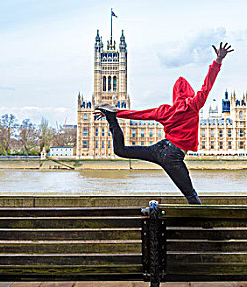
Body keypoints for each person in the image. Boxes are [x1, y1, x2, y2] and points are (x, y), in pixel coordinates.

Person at [94, 42, 233, 204]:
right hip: (172, 156)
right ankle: (206, 228)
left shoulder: (165, 110)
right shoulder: (194, 104)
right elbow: (207, 85)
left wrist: (116, 113)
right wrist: (218, 61)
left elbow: (140, 115)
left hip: (159, 148)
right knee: (191, 195)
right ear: (189, 92)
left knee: (121, 150)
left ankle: (112, 119)